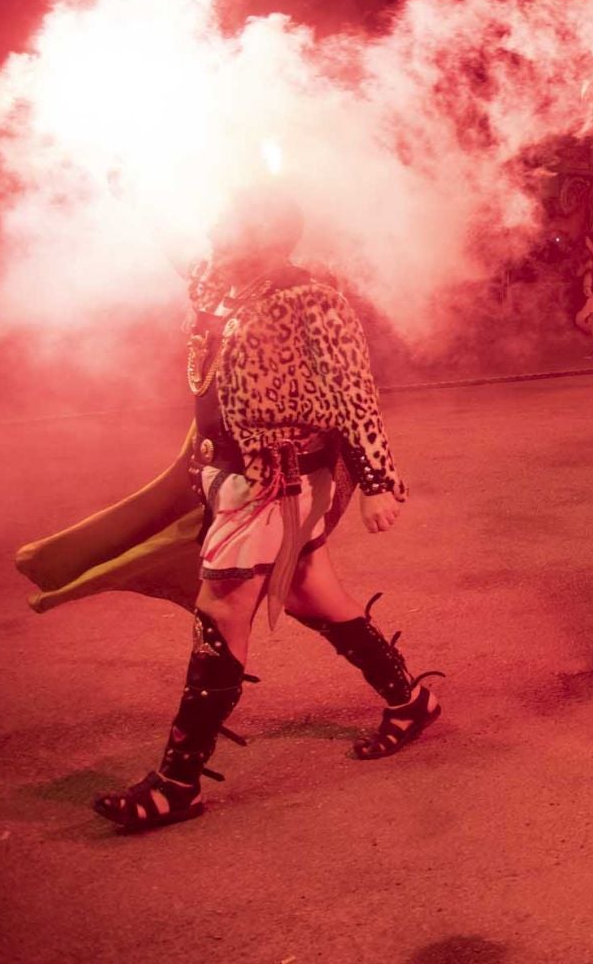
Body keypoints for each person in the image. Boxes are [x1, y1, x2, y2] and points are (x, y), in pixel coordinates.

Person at [77, 188, 439, 832]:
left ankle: (176, 782)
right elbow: (177, 249)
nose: (214, 224)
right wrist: (136, 191)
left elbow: (353, 392)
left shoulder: (310, 296)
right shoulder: (220, 282)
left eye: (228, 220)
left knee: (223, 606)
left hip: (281, 480)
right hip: (228, 471)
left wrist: (379, 482)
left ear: (267, 234)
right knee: (312, 593)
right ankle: (411, 701)